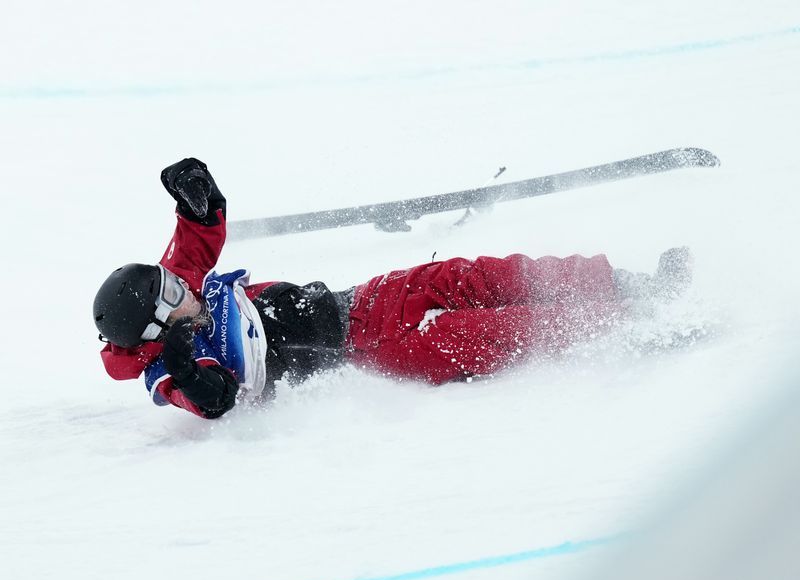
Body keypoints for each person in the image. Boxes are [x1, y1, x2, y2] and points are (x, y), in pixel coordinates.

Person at [94, 158, 691, 419]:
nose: (183, 288)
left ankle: (628, 284)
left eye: (172, 281)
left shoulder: (182, 293)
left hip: (361, 300)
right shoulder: (170, 371)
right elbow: (213, 402)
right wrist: (187, 369)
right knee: (492, 331)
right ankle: (623, 319)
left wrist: (197, 196)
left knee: (477, 275)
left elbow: (196, 240)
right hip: (377, 349)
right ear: (156, 328)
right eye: (171, 295)